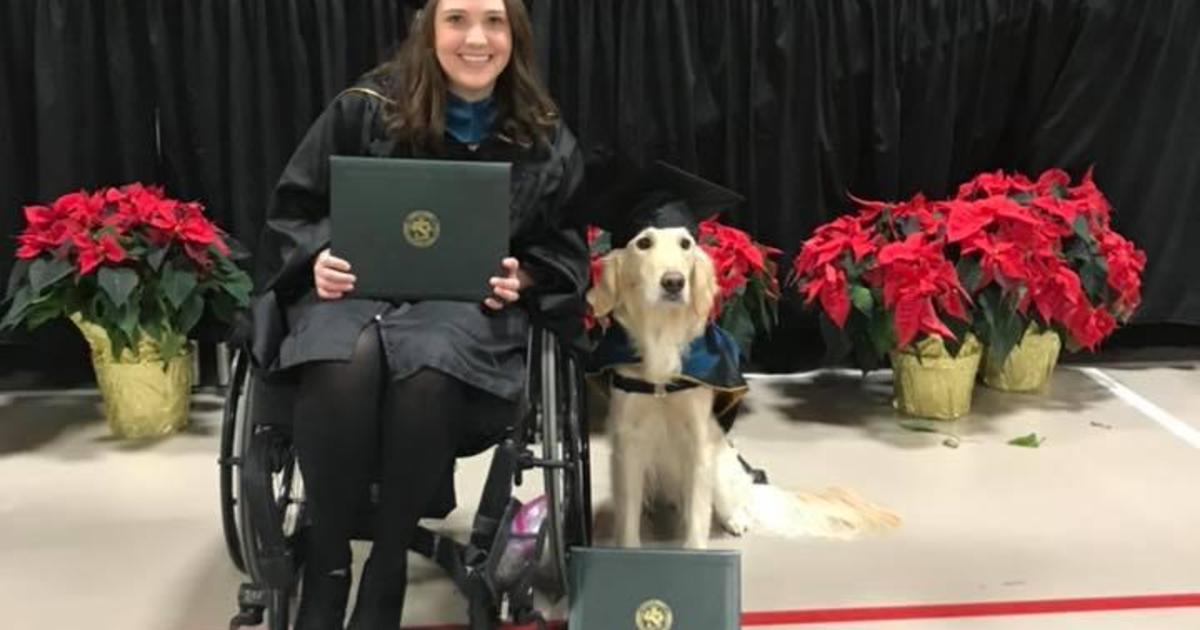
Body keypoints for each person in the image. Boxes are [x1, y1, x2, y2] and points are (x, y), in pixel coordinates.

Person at [251, 0, 588, 627]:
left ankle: (385, 568)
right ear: (427, 30)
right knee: (343, 356)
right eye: (456, 19)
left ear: (514, 33)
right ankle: (328, 562)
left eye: (492, 21)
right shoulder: (365, 108)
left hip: (466, 310)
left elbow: (561, 247)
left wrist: (527, 275)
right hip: (351, 295)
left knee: (430, 363)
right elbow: (292, 209)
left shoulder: (540, 135)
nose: (476, 39)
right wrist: (317, 255)